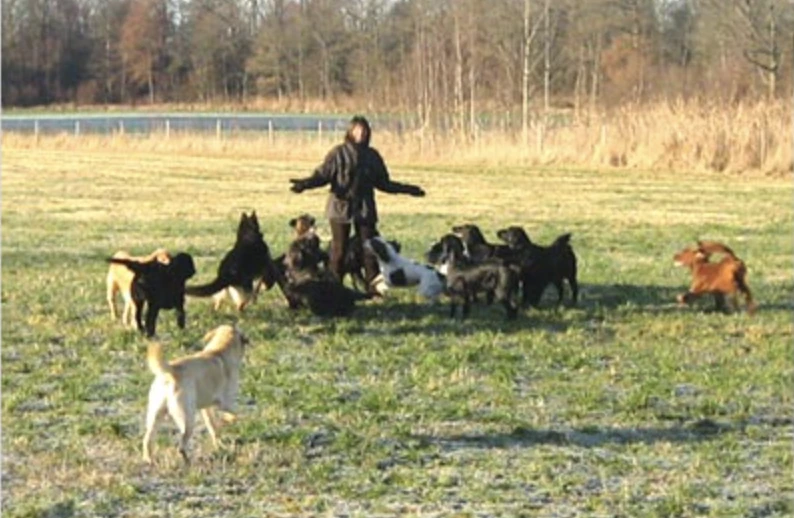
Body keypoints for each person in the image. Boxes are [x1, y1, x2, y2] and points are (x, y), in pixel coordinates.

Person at [289, 115, 425, 293]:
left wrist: (409, 190)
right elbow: (322, 176)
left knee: (370, 250)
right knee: (339, 251)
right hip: (340, 207)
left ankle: (373, 288)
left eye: (364, 130)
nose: (361, 134)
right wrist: (304, 184)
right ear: (351, 132)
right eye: (357, 130)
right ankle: (333, 288)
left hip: (364, 207)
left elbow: (384, 183)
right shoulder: (338, 153)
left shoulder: (372, 156)